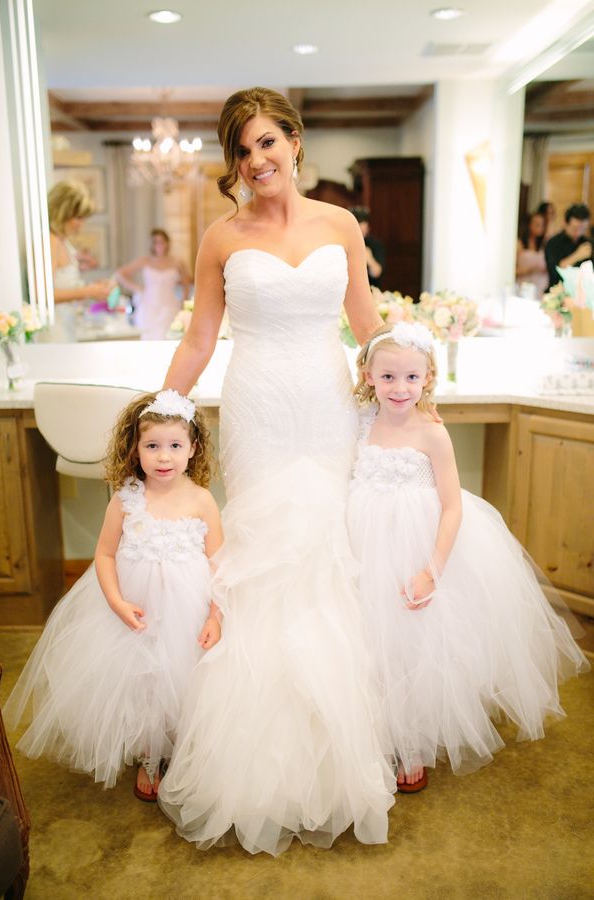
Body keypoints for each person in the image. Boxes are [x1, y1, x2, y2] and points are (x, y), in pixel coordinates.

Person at [157, 87, 396, 856]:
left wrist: (409, 385)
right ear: (233, 162)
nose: (256, 160)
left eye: (267, 142)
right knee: (259, 556)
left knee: (329, 552)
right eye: (242, 149)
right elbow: (200, 335)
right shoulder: (221, 237)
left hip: (328, 404)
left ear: (294, 141)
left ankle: (340, 741)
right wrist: (166, 407)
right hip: (256, 407)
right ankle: (245, 749)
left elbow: (364, 321)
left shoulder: (340, 223)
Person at [346, 322, 590, 793]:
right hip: (364, 542)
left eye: (412, 377)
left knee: (413, 644)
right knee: (368, 642)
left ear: (429, 378)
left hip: (418, 547)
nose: (400, 388)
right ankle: (376, 732)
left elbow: (452, 504)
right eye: (389, 376)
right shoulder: (360, 423)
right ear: (368, 375)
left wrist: (432, 570)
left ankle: (412, 740)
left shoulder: (433, 434)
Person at [4, 389, 223, 801]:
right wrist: (117, 601)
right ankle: (148, 754)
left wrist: (215, 615)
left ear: (193, 449)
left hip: (189, 609)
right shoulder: (125, 501)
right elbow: (104, 554)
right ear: (135, 449)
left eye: (175, 446)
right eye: (152, 446)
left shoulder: (201, 501)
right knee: (141, 682)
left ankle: (177, 746)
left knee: (183, 677)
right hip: (134, 608)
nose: (163, 457)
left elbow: (219, 564)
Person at [47, 180, 114, 340]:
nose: (81, 224)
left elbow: (66, 284)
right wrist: (89, 292)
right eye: (78, 217)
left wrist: (93, 288)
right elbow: (44, 296)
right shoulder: (50, 242)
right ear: (62, 212)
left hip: (68, 324)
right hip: (55, 329)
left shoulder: (63, 242)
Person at [115, 229, 192, 339]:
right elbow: (120, 274)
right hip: (148, 306)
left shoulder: (177, 262)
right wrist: (137, 288)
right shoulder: (145, 261)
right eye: (156, 242)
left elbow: (186, 285)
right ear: (152, 244)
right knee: (148, 337)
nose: (159, 245)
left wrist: (184, 305)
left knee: (168, 337)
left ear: (167, 243)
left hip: (169, 307)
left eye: (162, 241)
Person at [544, 203, 592, 289]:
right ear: (566, 223)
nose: (578, 233)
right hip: (557, 291)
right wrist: (577, 255)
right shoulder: (554, 243)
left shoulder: (588, 243)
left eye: (583, 229)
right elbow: (555, 272)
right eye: (575, 228)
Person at [350, 206, 386, 288]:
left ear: (368, 229)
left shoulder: (375, 244)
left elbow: (376, 273)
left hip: (369, 289)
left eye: (362, 232)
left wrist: (369, 258)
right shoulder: (342, 244)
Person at [515, 211, 547, 298]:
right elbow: (510, 271)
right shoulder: (519, 244)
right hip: (523, 286)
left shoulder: (545, 245)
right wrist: (529, 270)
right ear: (529, 224)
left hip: (541, 288)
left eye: (542, 224)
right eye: (537, 224)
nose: (540, 227)